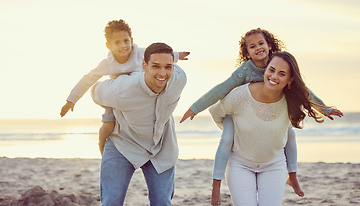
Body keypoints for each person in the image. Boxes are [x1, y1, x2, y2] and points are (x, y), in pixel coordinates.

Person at [179, 28, 343, 204]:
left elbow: (305, 92)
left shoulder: (278, 63)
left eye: (261, 43)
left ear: (269, 45)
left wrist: (325, 109)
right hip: (238, 112)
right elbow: (222, 88)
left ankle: (292, 175)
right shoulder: (244, 71)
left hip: (270, 127)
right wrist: (195, 108)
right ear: (247, 53)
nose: (258, 48)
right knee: (227, 138)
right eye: (252, 46)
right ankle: (216, 187)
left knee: (290, 134)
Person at [209, 51, 331, 206]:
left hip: (274, 164)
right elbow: (217, 113)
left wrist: (326, 109)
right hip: (240, 163)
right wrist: (231, 129)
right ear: (265, 70)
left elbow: (290, 138)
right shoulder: (240, 95)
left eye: (282, 74)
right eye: (271, 70)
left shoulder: (290, 100)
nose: (274, 77)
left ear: (289, 80)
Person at [60, 19, 190, 155]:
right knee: (108, 125)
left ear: (131, 40)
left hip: (138, 95)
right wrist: (71, 100)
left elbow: (161, 56)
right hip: (117, 97)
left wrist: (177, 55)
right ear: (108, 45)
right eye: (117, 42)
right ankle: (102, 147)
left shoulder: (140, 53)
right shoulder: (107, 63)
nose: (123, 46)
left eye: (126, 41)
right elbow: (88, 78)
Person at [91, 42, 187, 206]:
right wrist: (111, 109)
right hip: (123, 143)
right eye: (156, 66)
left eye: (168, 67)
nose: (162, 73)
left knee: (162, 203)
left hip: (161, 147)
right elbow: (95, 91)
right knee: (111, 202)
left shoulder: (179, 79)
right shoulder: (122, 90)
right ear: (144, 66)